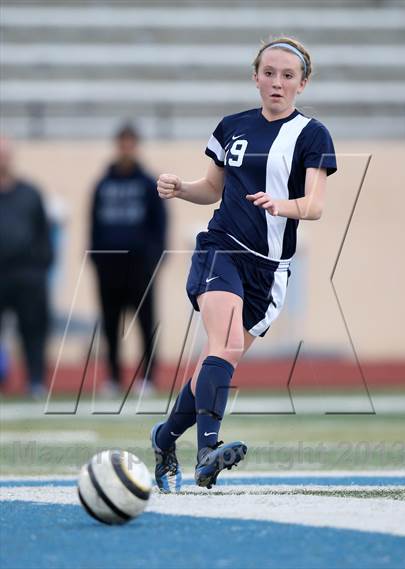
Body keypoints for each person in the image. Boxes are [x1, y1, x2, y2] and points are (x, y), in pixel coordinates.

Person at [151, 37, 337, 491]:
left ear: (303, 83)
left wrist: (281, 205)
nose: (277, 82)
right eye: (269, 73)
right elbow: (212, 188)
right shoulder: (231, 126)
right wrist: (180, 187)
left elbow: (313, 207)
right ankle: (206, 452)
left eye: (287, 75)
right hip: (222, 246)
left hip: (271, 270)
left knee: (221, 356)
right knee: (223, 338)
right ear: (255, 77)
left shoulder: (313, 135)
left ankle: (164, 436)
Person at [90, 124, 167, 396]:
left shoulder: (148, 183)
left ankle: (147, 377)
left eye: (130, 143)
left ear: (136, 146)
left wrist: (154, 258)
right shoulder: (103, 183)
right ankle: (113, 377)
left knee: (146, 322)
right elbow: (94, 225)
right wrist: (96, 260)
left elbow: (160, 225)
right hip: (109, 267)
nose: (126, 148)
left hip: (139, 267)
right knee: (110, 324)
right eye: (122, 143)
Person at [0, 136, 53, 399]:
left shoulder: (29, 193)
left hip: (26, 276)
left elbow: (44, 234)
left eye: (4, 153)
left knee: (33, 329)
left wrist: (39, 269)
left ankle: (35, 381)